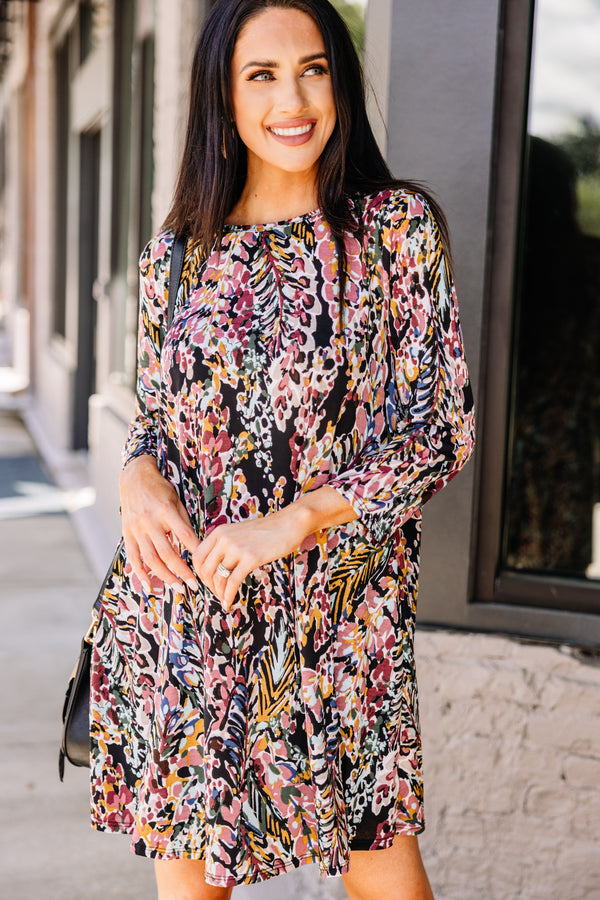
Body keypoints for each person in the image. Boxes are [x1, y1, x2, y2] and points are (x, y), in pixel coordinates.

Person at [89, 1, 475, 898]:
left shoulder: (394, 231)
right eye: (261, 75)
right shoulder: (175, 255)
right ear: (221, 95)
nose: (293, 98)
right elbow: (159, 416)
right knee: (192, 880)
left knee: (382, 863)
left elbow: (439, 428)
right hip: (188, 611)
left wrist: (297, 521)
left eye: (314, 68)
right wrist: (135, 473)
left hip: (344, 614)